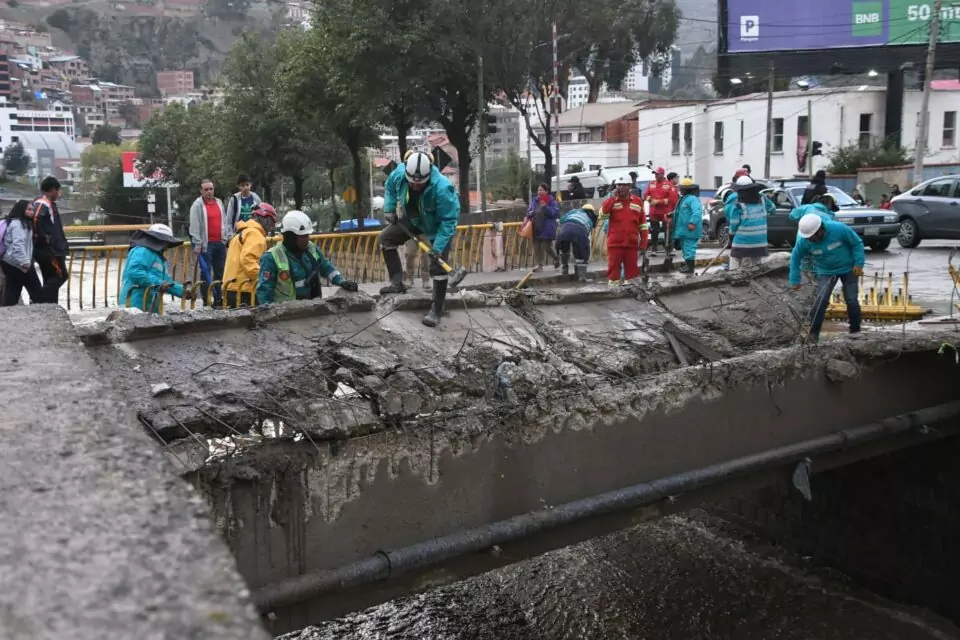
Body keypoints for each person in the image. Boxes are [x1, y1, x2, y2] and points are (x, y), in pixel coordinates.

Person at [379, 151, 460, 327]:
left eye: (420, 184)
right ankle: (397, 282)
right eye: (412, 183)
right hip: (413, 219)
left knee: (438, 267)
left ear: (428, 175)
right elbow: (390, 187)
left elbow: (449, 221)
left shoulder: (442, 188)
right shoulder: (400, 173)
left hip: (437, 227)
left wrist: (437, 248)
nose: (415, 186)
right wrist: (390, 208)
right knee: (386, 239)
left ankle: (436, 311)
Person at [256, 210, 358, 305]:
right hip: (286, 316)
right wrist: (270, 315)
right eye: (304, 236)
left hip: (311, 309)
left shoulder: (310, 248)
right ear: (291, 236)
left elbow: (326, 266)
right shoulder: (271, 258)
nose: (308, 239)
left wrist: (341, 281)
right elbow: (264, 291)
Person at [790, 213, 865, 342]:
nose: (810, 239)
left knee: (851, 299)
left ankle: (855, 330)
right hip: (826, 271)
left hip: (849, 269)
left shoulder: (839, 229)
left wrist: (859, 263)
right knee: (820, 300)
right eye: (808, 237)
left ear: (820, 229)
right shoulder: (804, 241)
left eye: (812, 236)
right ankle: (813, 334)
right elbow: (795, 258)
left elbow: (857, 243)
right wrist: (794, 279)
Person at [119, 224, 192, 313]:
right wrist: (158, 284)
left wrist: (182, 291)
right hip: (134, 303)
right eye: (165, 242)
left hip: (149, 304)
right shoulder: (142, 251)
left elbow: (165, 281)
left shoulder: (159, 257)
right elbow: (135, 272)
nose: (166, 246)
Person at [223, 203, 277, 308]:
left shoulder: (244, 231)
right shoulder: (255, 234)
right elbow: (248, 261)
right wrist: (264, 278)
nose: (273, 226)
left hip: (231, 286)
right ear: (263, 218)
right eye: (272, 221)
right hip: (244, 289)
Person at [600, 175, 648, 285]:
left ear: (630, 186)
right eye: (618, 185)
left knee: (632, 273)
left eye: (624, 185)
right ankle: (614, 292)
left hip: (631, 243)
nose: (620, 187)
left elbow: (643, 224)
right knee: (613, 271)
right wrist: (611, 199)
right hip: (615, 243)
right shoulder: (611, 201)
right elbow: (602, 216)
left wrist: (644, 242)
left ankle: (631, 294)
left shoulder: (638, 202)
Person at [189, 179, 229, 307]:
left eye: (211, 189)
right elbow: (194, 226)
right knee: (206, 273)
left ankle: (219, 298)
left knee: (220, 272)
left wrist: (226, 238)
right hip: (206, 244)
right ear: (201, 191)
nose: (209, 192)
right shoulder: (197, 205)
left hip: (220, 243)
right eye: (206, 189)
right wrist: (198, 243)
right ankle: (207, 300)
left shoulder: (219, 202)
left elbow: (225, 221)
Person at [31, 176, 69, 304]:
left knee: (50, 279)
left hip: (54, 249)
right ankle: (38, 297)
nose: (59, 193)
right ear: (53, 190)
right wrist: (45, 240)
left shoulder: (49, 205)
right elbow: (36, 221)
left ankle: (50, 305)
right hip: (49, 250)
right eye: (58, 190)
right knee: (61, 275)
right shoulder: (42, 204)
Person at [1, 200, 43, 306]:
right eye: (29, 209)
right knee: (37, 291)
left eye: (32, 210)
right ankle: (41, 311)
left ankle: (8, 311)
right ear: (21, 210)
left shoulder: (21, 223)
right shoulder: (18, 225)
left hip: (10, 262)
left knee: (14, 288)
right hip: (18, 263)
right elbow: (18, 245)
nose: (32, 212)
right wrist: (24, 262)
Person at [727, 176, 770, 270]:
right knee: (755, 264)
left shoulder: (738, 205)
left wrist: (730, 239)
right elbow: (773, 209)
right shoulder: (763, 200)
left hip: (742, 242)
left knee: (734, 258)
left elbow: (733, 226)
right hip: (761, 242)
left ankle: (732, 275)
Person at [555, 203, 598, 281]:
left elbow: (561, 220)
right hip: (580, 231)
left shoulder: (573, 211)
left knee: (564, 248)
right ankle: (582, 276)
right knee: (582, 251)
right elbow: (585, 236)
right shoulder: (590, 220)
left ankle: (564, 268)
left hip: (565, 229)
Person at [526, 183, 560, 271]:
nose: (539, 192)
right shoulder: (535, 200)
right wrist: (530, 213)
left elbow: (555, 213)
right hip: (536, 226)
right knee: (536, 246)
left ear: (546, 191)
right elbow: (530, 210)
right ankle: (539, 265)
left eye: (541, 190)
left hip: (547, 227)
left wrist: (545, 207)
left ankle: (556, 258)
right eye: (538, 190)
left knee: (546, 247)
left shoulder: (551, 201)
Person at [672, 178, 702, 274]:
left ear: (686, 189)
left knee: (689, 249)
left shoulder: (692, 199)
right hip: (684, 230)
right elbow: (681, 212)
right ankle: (687, 266)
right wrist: (671, 214)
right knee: (685, 249)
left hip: (690, 230)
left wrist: (692, 222)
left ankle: (690, 268)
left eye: (682, 188)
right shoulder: (684, 199)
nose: (680, 190)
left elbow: (697, 211)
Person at [643, 167, 676, 254]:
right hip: (654, 212)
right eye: (655, 174)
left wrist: (659, 201)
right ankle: (654, 249)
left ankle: (669, 249)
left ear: (662, 174)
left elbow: (672, 199)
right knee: (654, 230)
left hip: (666, 212)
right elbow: (646, 195)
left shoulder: (669, 185)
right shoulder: (651, 184)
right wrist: (650, 200)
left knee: (668, 230)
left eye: (657, 174)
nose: (656, 175)